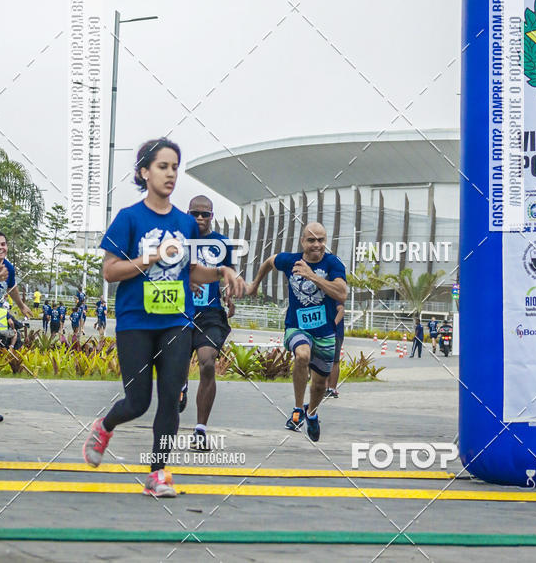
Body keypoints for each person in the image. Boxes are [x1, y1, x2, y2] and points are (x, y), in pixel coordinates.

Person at [82, 137, 244, 498]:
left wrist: (221, 274)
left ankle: (158, 474)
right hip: (136, 322)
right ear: (144, 172)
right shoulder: (128, 219)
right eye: (162, 167)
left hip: (176, 321)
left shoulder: (186, 223)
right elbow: (109, 271)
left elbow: (190, 271)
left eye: (175, 167)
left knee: (170, 398)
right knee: (138, 401)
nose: (171, 174)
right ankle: (105, 426)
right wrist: (151, 257)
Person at [246, 222, 348, 442]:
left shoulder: (333, 263)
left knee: (320, 384)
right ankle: (297, 408)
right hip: (297, 325)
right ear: (303, 241)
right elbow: (269, 262)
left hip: (324, 332)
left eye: (321, 240)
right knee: (302, 355)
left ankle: (311, 413)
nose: (316, 245)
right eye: (311, 240)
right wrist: (255, 285)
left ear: (326, 241)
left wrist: (314, 277)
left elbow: (342, 293)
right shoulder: (290, 260)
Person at [179, 194, 238, 450]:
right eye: (196, 214)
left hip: (211, 313)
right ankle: (181, 384)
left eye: (206, 214)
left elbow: (229, 274)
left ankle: (200, 430)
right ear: (188, 214)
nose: (201, 218)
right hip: (180, 312)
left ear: (212, 216)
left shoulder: (222, 243)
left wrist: (230, 294)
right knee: (176, 364)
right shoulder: (178, 240)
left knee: (206, 363)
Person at [0, 230, 31, 422]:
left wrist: (21, 305)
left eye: (3, 244)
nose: (0, 247)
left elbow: (12, 287)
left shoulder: (9, 267)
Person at [325, 302, 344, 399]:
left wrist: (332, 325)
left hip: (335, 334)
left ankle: (332, 388)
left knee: (334, 361)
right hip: (323, 333)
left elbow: (341, 310)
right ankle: (324, 388)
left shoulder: (334, 294)